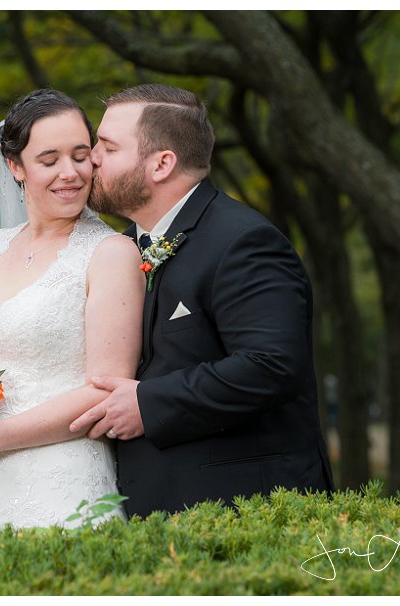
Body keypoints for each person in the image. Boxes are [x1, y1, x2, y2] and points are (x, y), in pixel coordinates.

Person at [70, 83, 334, 517]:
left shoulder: (243, 241)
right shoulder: (121, 248)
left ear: (161, 164)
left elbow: (272, 365)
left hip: (242, 512)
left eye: (107, 146)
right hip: (144, 509)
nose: (91, 157)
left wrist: (150, 403)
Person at [0, 89, 145, 527]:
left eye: (81, 156)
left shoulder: (111, 253)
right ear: (15, 166)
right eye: (50, 160)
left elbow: (105, 389)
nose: (70, 173)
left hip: (60, 478)